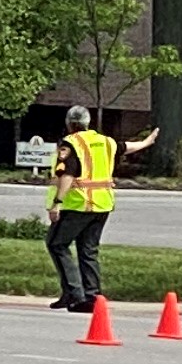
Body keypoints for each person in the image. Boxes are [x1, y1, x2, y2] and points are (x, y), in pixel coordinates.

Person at [45, 104, 116, 314]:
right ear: (87, 123)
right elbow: (128, 146)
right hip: (102, 205)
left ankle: (75, 295)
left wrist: (57, 202)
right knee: (88, 250)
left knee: (56, 244)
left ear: (69, 124)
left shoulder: (70, 144)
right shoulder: (105, 142)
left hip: (77, 205)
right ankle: (92, 296)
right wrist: (148, 141)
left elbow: (68, 174)